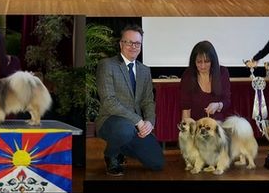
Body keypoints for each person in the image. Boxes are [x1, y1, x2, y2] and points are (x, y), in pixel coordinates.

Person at [96, 24, 164, 176]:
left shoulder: (145, 70)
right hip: (111, 121)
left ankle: (121, 148)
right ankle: (111, 155)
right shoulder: (107, 65)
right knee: (125, 130)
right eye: (129, 42)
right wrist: (138, 120)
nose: (133, 46)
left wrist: (149, 122)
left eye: (137, 43)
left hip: (135, 127)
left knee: (157, 163)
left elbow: (148, 101)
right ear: (121, 44)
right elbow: (109, 102)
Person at [180, 40, 231, 121]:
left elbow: (227, 101)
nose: (203, 66)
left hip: (217, 126)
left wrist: (217, 105)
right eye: (199, 62)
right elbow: (186, 109)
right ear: (194, 62)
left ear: (212, 61)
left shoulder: (222, 72)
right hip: (197, 127)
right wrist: (186, 131)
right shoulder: (188, 75)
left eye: (207, 61)